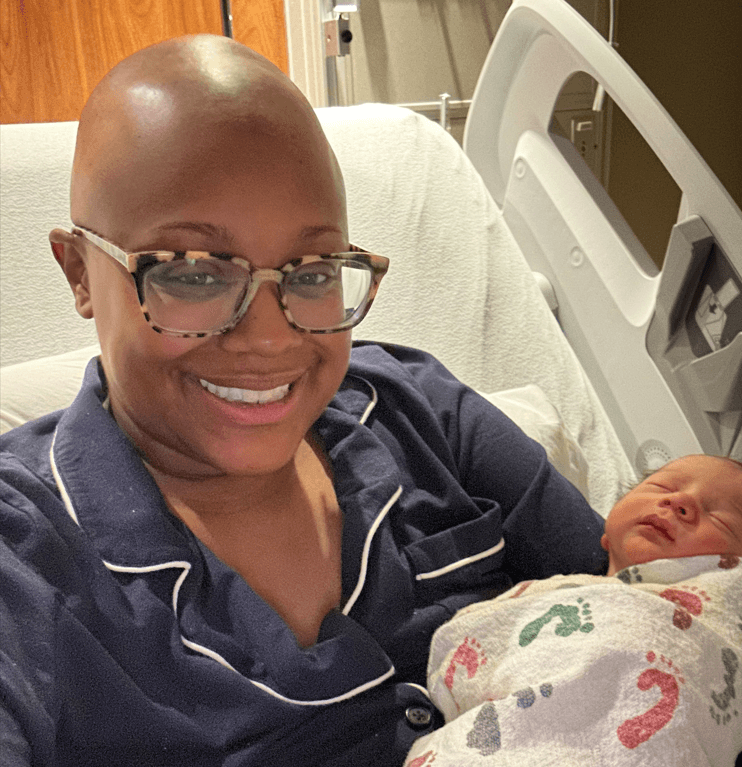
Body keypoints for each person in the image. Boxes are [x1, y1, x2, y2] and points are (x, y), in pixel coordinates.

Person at [0, 35, 610, 766]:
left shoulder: (424, 416)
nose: (269, 336)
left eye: (313, 270)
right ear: (77, 272)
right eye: (192, 274)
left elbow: (643, 601)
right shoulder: (25, 555)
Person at [405, 454, 742, 767]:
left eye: (723, 517)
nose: (679, 502)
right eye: (663, 486)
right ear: (607, 535)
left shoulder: (721, 619)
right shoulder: (552, 596)